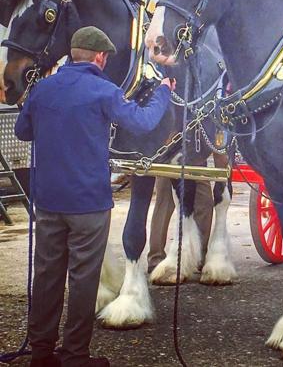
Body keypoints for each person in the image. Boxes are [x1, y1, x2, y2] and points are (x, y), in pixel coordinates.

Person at [15, 26, 174, 367]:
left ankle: (41, 352)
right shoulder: (104, 91)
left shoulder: (43, 89)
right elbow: (143, 122)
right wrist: (162, 91)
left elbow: (22, 131)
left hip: (47, 203)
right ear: (100, 57)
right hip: (88, 204)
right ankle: (74, 355)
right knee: (84, 279)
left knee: (46, 276)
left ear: (73, 53)